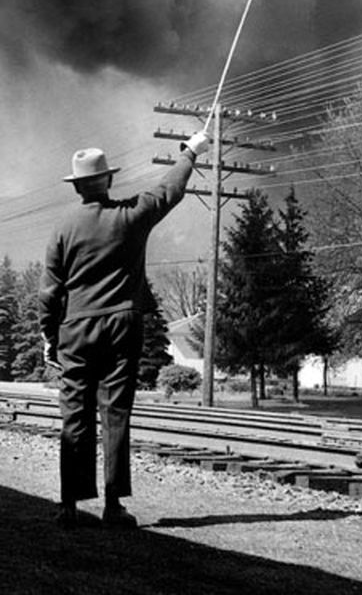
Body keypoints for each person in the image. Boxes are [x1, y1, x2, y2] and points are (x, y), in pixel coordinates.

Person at [40, 130, 209, 529]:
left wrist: (49, 336)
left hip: (76, 329)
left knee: (74, 416)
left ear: (78, 187)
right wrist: (190, 152)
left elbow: (49, 291)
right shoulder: (131, 217)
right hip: (122, 325)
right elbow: (168, 191)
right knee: (116, 413)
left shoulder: (63, 228)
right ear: (109, 180)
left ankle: (69, 504)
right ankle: (113, 506)